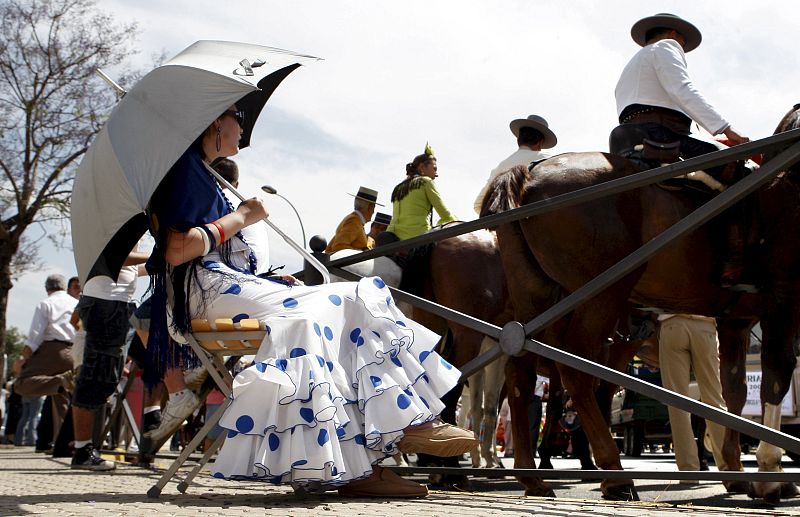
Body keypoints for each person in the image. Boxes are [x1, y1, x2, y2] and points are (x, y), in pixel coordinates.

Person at [143, 105, 476, 498]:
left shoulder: (205, 174)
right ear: (217, 121)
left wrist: (264, 278)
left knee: (357, 295)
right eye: (239, 120)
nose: (243, 129)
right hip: (203, 291)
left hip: (224, 285)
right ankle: (350, 463)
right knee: (313, 315)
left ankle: (396, 428)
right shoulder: (186, 169)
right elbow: (177, 249)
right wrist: (242, 216)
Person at [610, 13, 750, 284]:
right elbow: (682, 89)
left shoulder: (634, 64)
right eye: (683, 43)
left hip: (627, 137)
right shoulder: (666, 48)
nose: (683, 49)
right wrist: (726, 129)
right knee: (743, 175)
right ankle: (735, 260)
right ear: (674, 35)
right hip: (661, 133)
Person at [69, 246, 148, 470]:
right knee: (96, 376)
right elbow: (114, 254)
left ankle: (85, 448)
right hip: (107, 304)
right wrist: (163, 254)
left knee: (106, 377)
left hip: (117, 304)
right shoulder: (114, 216)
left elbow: (126, 267)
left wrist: (153, 266)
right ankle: (82, 450)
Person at [658, 314, 729, 484]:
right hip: (705, 325)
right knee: (714, 399)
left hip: (672, 324)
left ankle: (689, 471)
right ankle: (728, 466)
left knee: (677, 405)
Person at [13, 274, 77, 447]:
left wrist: (22, 359)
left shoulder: (46, 303)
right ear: (64, 287)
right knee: (61, 398)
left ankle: (60, 380)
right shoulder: (75, 303)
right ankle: (63, 442)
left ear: (47, 288)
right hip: (75, 351)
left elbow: (35, 336)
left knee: (21, 383)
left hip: (53, 349)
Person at [474, 115, 557, 215]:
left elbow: (478, 205)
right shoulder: (546, 158)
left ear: (518, 140)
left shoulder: (501, 166)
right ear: (540, 142)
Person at [382, 144, 456, 242]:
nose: (436, 174)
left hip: (391, 239)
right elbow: (444, 214)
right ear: (422, 167)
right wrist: (462, 226)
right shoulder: (426, 181)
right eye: (434, 169)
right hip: (418, 238)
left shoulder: (398, 187)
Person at [325, 186, 382, 254]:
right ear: (369, 208)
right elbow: (339, 246)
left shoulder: (355, 220)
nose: (373, 212)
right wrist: (363, 253)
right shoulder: (354, 221)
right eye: (373, 208)